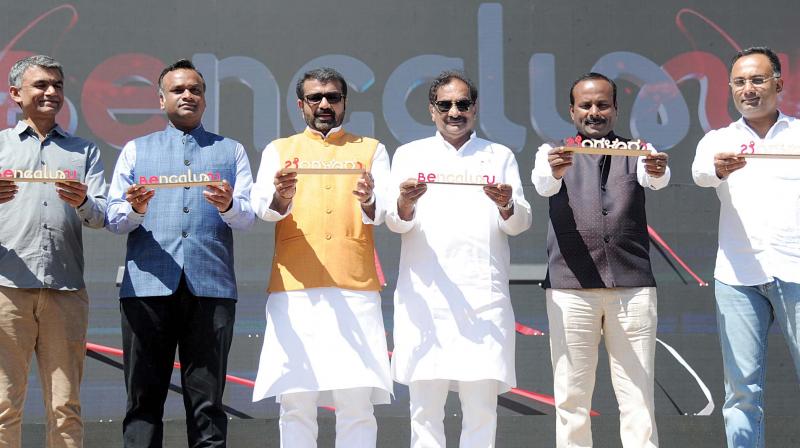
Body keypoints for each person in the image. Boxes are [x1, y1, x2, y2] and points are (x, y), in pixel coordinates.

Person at [106, 59, 254, 448]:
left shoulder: (231, 150)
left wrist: (226, 206)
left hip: (211, 290)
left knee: (207, 404)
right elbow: (114, 218)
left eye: (196, 90)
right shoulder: (136, 150)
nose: (188, 95)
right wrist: (136, 209)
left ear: (204, 99)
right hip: (146, 290)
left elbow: (247, 217)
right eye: (178, 90)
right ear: (161, 100)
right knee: (143, 401)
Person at [385, 70, 532, 448]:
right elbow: (394, 222)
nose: (455, 112)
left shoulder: (498, 156)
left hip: (482, 300)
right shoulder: (410, 154)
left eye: (462, 104)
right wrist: (405, 202)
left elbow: (520, 222)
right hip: (426, 299)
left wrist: (506, 205)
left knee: (481, 411)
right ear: (431, 111)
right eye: (445, 105)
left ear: (475, 109)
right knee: (424, 412)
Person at [251, 67, 392, 448]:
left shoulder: (371, 149)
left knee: (356, 401)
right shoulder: (279, 150)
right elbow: (263, 208)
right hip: (295, 288)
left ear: (345, 102)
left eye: (333, 97)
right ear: (301, 105)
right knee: (296, 400)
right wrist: (281, 195)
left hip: (355, 288)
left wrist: (370, 199)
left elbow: (387, 212)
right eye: (316, 97)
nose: (325, 104)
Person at [531, 72, 670, 448]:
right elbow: (544, 184)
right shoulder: (553, 153)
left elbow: (656, 177)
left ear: (615, 108)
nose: (595, 112)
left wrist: (657, 169)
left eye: (602, 104)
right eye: (586, 105)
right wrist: (556, 170)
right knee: (572, 398)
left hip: (633, 289)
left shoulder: (638, 149)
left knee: (638, 397)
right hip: (571, 289)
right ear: (572, 109)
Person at [692, 46, 800, 448]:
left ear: (778, 83)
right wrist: (717, 168)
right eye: (739, 82)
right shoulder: (719, 140)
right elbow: (701, 173)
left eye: (757, 79)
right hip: (737, 278)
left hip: (795, 272)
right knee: (742, 393)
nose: (748, 89)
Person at [0, 55, 107, 448]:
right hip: (6, 289)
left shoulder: (83, 151)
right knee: (3, 404)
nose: (51, 92)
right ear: (15, 94)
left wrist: (82, 201)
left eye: (57, 85)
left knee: (65, 406)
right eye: (41, 85)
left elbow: (100, 217)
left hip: (65, 289)